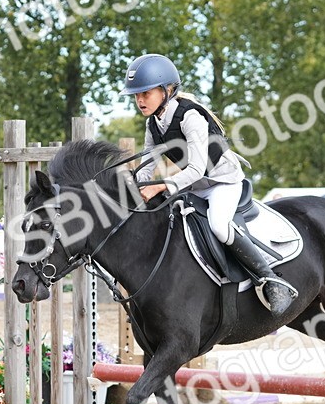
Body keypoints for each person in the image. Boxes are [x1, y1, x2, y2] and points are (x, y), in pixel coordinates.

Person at [120, 53, 297, 316]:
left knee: (219, 225)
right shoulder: (153, 124)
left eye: (145, 93)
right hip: (194, 187)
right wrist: (129, 190)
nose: (140, 100)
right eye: (136, 95)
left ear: (167, 90)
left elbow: (196, 169)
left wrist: (160, 186)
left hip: (223, 182)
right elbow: (146, 168)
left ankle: (269, 279)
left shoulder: (190, 116)